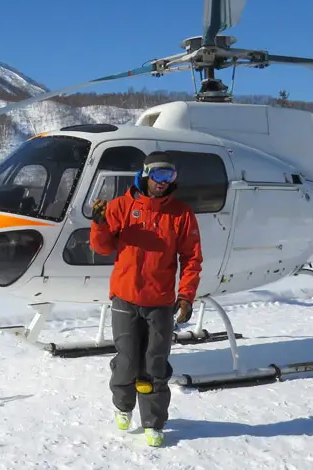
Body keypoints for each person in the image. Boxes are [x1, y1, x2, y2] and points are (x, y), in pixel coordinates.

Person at [89, 151, 203, 447]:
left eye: (170, 176)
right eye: (158, 175)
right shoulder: (122, 206)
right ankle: (123, 405)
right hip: (125, 297)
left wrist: (186, 296)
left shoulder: (181, 213)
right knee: (127, 360)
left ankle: (153, 422)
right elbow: (102, 248)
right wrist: (99, 224)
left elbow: (191, 258)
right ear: (145, 174)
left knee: (155, 363)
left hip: (161, 301)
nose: (163, 182)